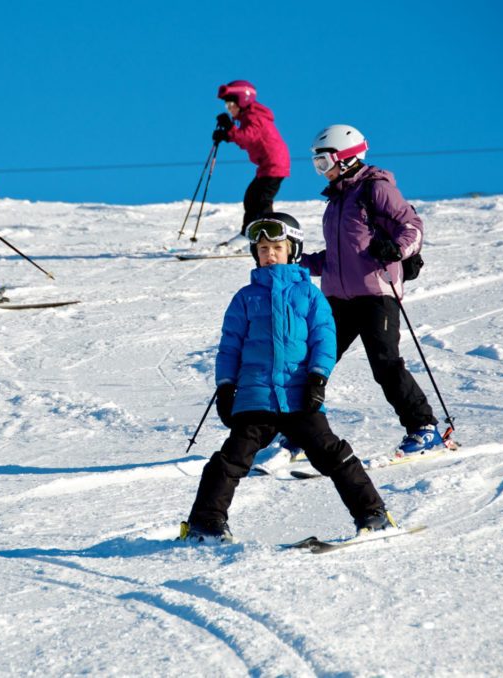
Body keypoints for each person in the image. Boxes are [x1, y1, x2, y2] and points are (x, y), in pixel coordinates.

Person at [180, 213, 394, 544]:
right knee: (231, 459)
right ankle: (205, 522)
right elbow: (229, 348)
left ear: (292, 250)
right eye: (263, 248)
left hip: (299, 396)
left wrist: (317, 379)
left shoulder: (309, 295)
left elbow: (325, 340)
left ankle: (373, 514)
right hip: (255, 397)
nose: (269, 254)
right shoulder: (245, 298)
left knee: (332, 454)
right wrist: (225, 388)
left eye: (277, 247)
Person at [299, 124, 447, 454]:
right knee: (313, 363)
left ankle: (424, 428)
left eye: (324, 163)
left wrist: (397, 248)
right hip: (338, 298)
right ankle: (298, 433)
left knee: (385, 364)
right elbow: (338, 258)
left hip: (376, 295)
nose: (320, 172)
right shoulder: (336, 201)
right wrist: (300, 262)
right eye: (316, 165)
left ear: (346, 158)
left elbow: (412, 226)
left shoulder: (375, 189)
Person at [211, 81, 291, 249]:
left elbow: (248, 137)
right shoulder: (249, 116)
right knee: (252, 198)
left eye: (231, 104)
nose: (229, 108)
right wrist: (227, 133)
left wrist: (230, 130)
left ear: (243, 100)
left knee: (261, 201)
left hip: (274, 164)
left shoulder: (255, 116)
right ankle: (249, 235)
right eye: (227, 105)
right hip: (267, 165)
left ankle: (267, 237)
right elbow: (247, 141)